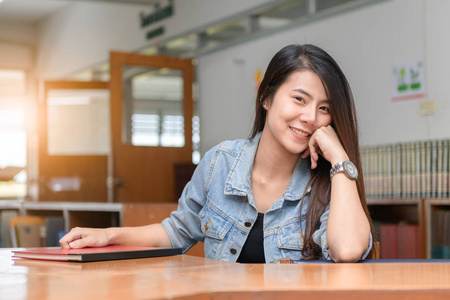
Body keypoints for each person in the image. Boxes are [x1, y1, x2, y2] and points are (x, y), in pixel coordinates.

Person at [60, 44, 376, 263]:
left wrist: (340, 160)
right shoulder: (220, 162)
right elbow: (177, 232)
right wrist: (109, 236)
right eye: (299, 99)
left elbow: (347, 250)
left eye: (324, 109)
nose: (310, 117)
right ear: (266, 98)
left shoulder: (329, 182)